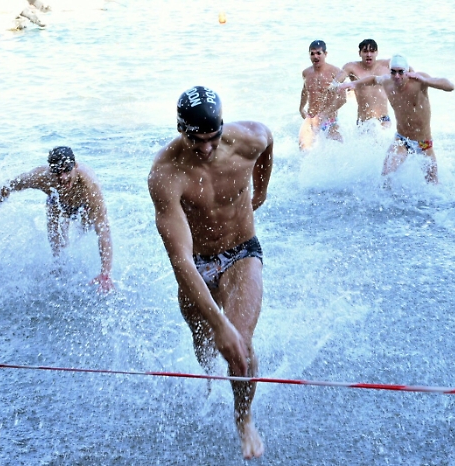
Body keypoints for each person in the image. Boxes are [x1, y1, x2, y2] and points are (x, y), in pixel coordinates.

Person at [148, 86, 272, 459]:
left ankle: (243, 419)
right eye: (195, 139)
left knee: (240, 346)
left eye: (212, 138)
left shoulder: (247, 139)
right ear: (180, 129)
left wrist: (261, 189)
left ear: (221, 126)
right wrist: (218, 325)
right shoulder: (165, 173)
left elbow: (268, 143)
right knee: (205, 342)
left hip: (241, 252)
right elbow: (181, 260)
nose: (205, 148)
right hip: (196, 263)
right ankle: (207, 377)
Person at [0, 147, 115, 293]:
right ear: (51, 170)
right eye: (57, 172)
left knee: (85, 229)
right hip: (57, 202)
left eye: (67, 170)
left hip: (83, 206)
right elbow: (9, 186)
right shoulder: (41, 177)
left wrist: (105, 273)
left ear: (75, 166)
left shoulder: (90, 185)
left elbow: (103, 229)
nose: (63, 177)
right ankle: (58, 267)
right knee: (58, 244)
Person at [338, 54, 454, 184]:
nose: (397, 76)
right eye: (393, 72)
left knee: (432, 184)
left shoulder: (419, 81)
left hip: (424, 143)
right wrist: (354, 83)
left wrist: (425, 80)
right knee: (385, 178)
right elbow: (373, 79)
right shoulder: (387, 82)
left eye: (400, 72)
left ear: (407, 71)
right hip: (402, 140)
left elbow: (450, 86)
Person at [298, 40, 346, 150]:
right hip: (311, 119)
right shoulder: (306, 73)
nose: (315, 56)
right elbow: (305, 90)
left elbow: (343, 99)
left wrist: (325, 113)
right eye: (312, 53)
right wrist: (301, 108)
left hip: (330, 121)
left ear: (325, 54)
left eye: (318, 53)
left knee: (341, 149)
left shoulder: (336, 72)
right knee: (303, 150)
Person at [334, 38, 392, 129]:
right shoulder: (351, 67)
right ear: (359, 53)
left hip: (384, 120)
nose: (369, 54)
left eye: (372, 51)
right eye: (365, 51)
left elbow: (407, 70)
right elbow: (335, 82)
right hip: (363, 122)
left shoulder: (387, 64)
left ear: (377, 52)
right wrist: (338, 87)